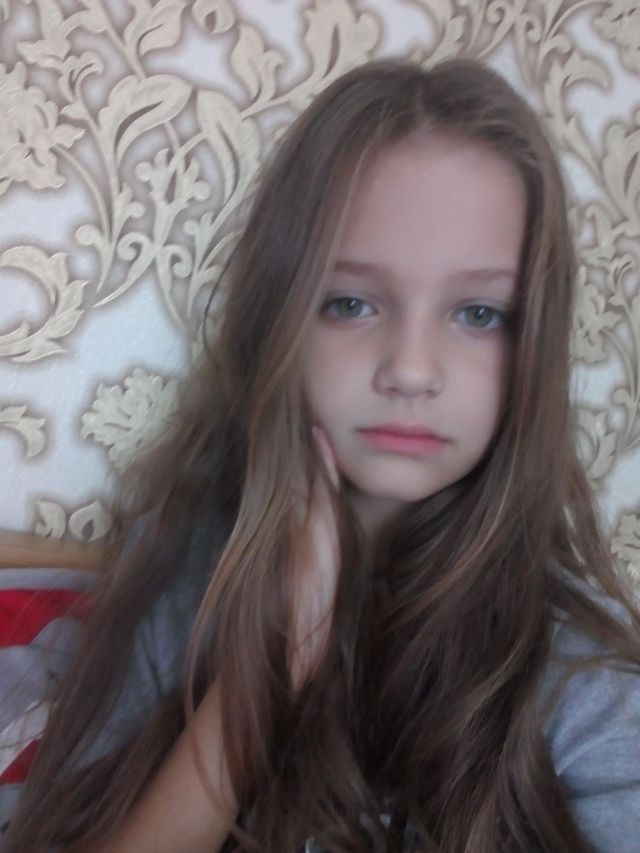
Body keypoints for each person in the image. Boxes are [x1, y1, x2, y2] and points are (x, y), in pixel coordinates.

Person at [2, 56, 640, 852]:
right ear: (280, 322)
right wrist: (269, 670)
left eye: (479, 313)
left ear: (532, 344)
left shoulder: (581, 672)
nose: (411, 369)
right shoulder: (185, 566)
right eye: (350, 303)